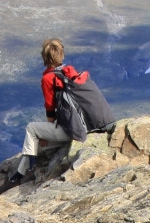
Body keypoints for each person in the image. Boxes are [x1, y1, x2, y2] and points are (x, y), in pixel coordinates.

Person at [15, 39, 115, 178]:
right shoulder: (70, 72)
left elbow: (50, 108)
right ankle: (20, 172)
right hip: (95, 125)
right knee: (33, 142)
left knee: (31, 130)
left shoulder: (48, 79)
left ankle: (22, 173)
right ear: (62, 54)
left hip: (73, 129)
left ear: (45, 57)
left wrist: (46, 131)